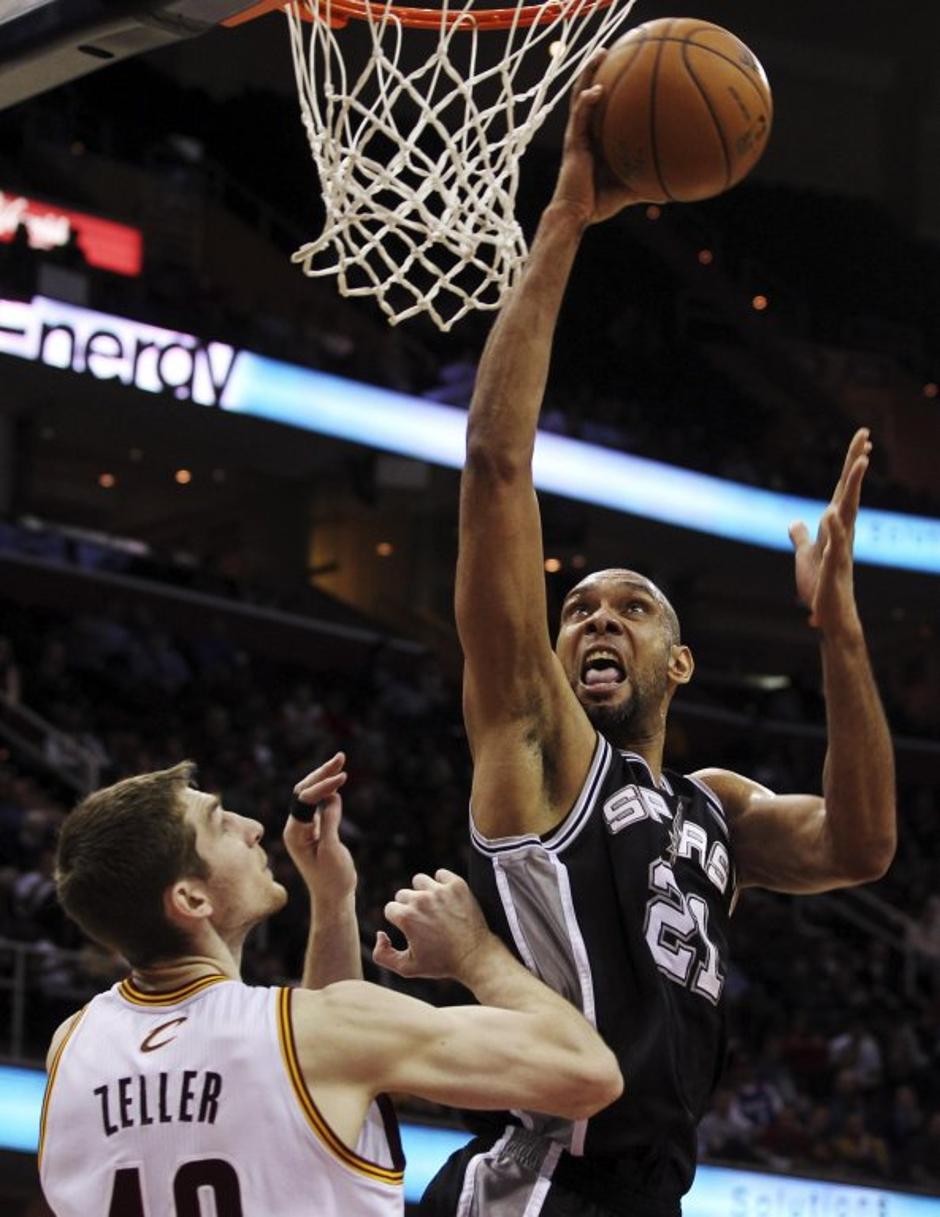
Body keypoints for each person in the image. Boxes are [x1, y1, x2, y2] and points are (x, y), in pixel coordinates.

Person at [423, 54, 897, 1217]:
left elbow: (860, 844)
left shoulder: (716, 807)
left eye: (629, 606)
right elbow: (494, 465)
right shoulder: (537, 743)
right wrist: (568, 218)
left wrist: (838, 633)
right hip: (540, 1187)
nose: (595, 616)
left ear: (678, 662)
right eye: (579, 602)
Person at [39, 752, 622, 1217]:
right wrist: (475, 952)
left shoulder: (72, 1046)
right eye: (219, 823)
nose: (252, 827)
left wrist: (332, 898)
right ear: (191, 899)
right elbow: (587, 1074)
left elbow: (317, 1092)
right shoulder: (314, 1032)